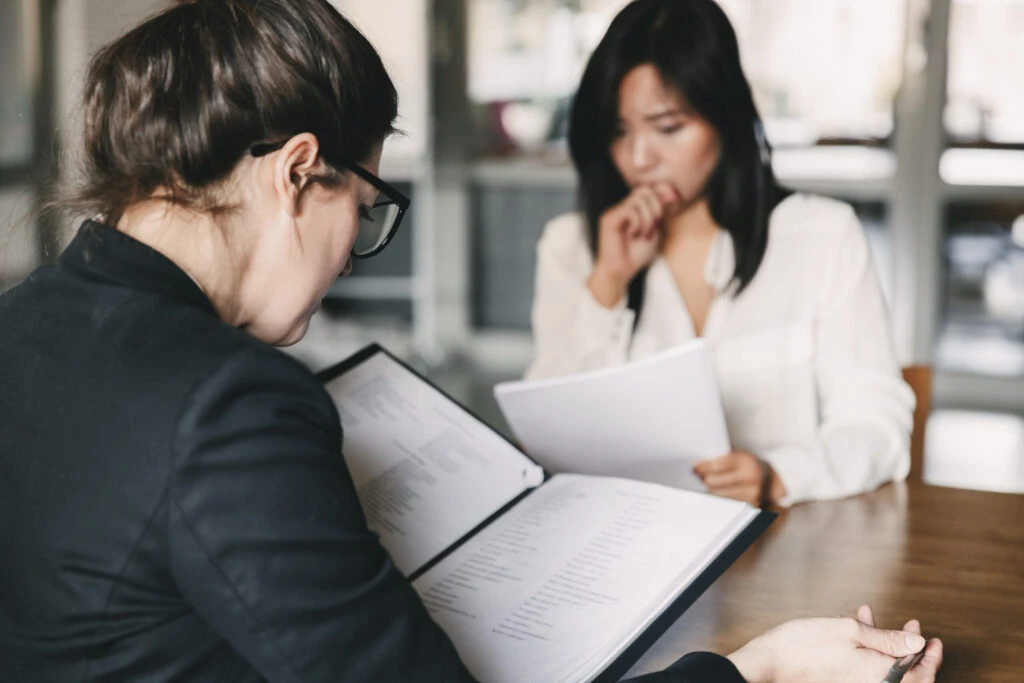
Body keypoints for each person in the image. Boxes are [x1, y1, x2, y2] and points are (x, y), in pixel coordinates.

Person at [0, 0, 940, 681]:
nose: (348, 264)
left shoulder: (23, 321)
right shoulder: (231, 402)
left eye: (670, 125)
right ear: (297, 172)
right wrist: (762, 671)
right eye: (365, 209)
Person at [526, 0, 915, 509]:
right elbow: (549, 442)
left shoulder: (820, 235)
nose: (640, 159)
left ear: (724, 118)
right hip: (627, 550)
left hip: (788, 555)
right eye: (620, 132)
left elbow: (877, 424)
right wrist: (608, 283)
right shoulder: (572, 247)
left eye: (667, 128)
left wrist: (779, 475)